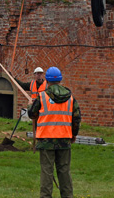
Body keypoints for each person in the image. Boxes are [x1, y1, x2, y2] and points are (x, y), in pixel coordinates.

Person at [28, 66, 81, 198]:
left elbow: (32, 114)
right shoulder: (70, 97)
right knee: (64, 171)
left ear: (47, 80)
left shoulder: (42, 96)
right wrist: (73, 135)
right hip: (64, 140)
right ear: (60, 80)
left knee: (47, 172)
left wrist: (30, 104)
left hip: (46, 140)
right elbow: (76, 118)